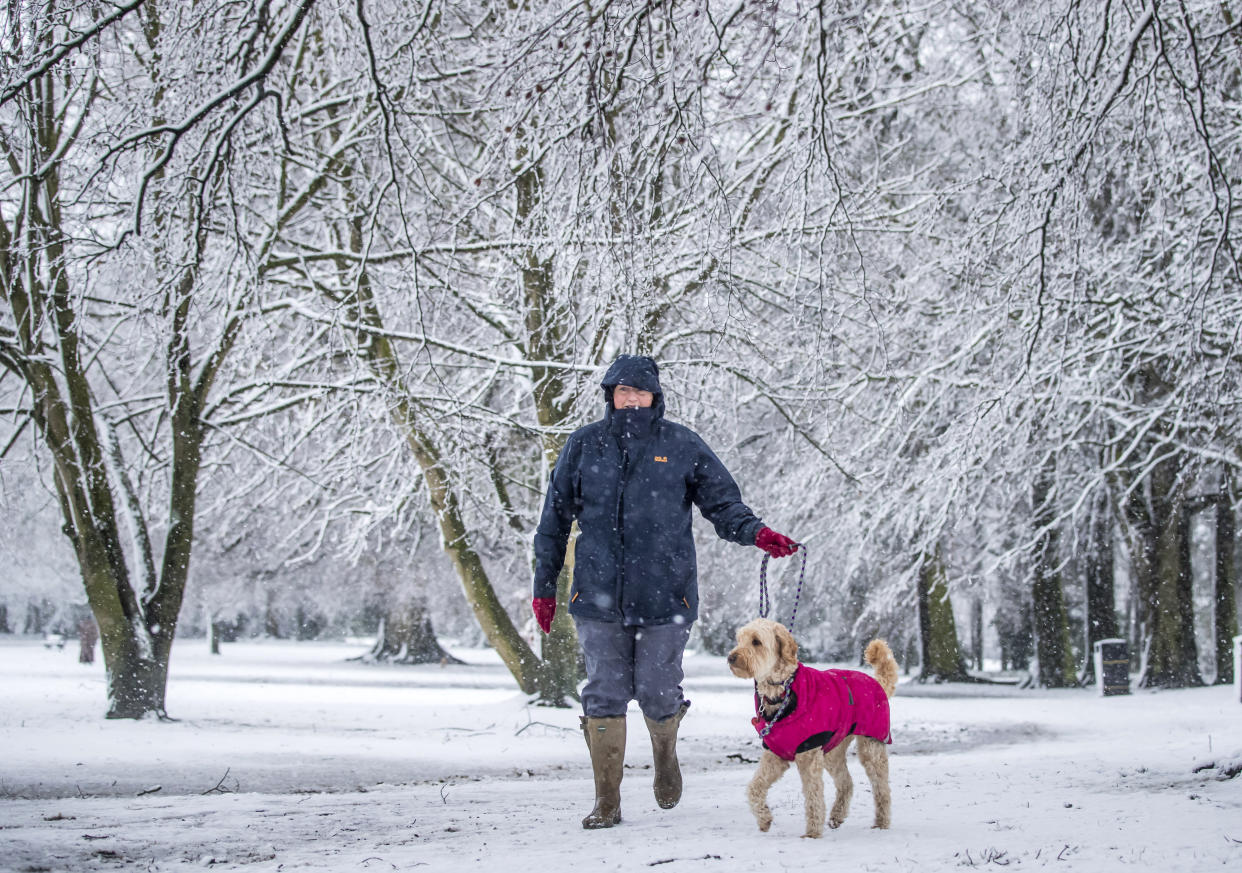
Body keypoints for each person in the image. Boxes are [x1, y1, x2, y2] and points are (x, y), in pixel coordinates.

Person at [531, 354, 798, 829]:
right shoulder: (584, 446)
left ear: (655, 395)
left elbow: (723, 504)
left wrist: (756, 533)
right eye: (622, 391)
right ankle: (607, 803)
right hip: (596, 597)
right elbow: (553, 523)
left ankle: (665, 755)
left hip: (665, 598)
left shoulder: (681, 445)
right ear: (609, 396)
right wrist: (544, 588)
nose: (631, 399)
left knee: (658, 692)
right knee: (604, 693)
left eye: (640, 391)